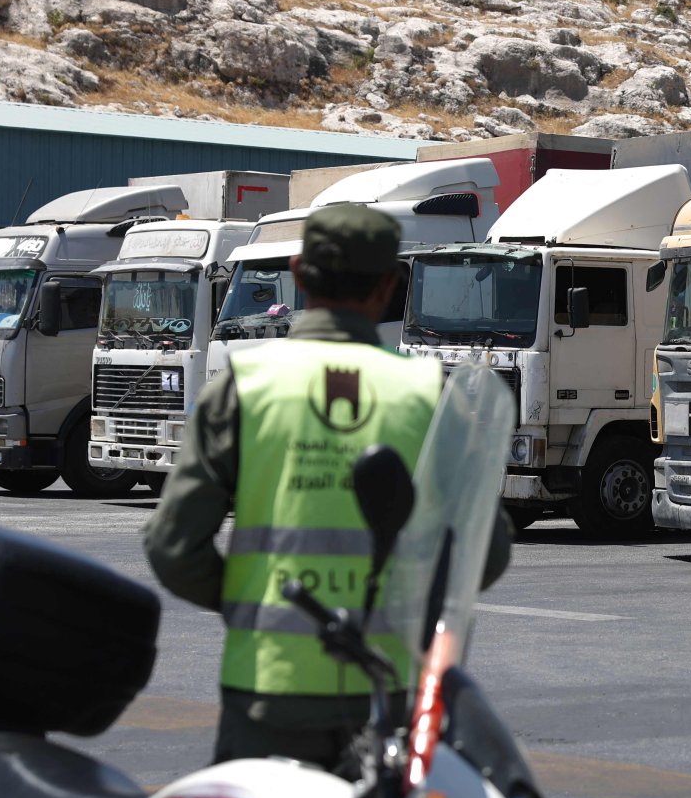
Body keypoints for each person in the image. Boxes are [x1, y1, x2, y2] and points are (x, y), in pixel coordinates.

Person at [143, 204, 511, 768]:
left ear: (297, 272)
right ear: (391, 285)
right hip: (390, 695)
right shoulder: (429, 393)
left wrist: (252, 603)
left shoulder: (245, 388)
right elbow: (485, 548)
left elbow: (173, 546)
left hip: (270, 689)